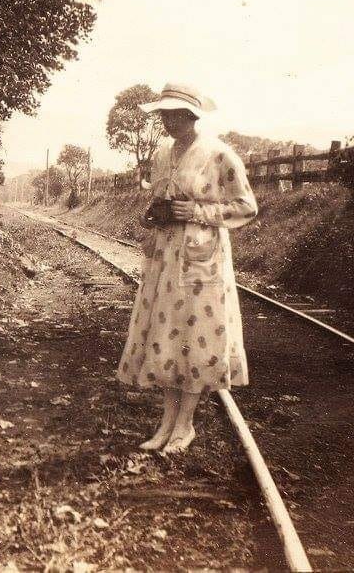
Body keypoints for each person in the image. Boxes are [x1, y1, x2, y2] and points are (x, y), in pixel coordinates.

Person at [117, 82, 258, 455]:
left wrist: (198, 211)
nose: (168, 122)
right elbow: (158, 198)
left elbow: (246, 206)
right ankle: (166, 423)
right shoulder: (163, 155)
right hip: (165, 255)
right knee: (166, 334)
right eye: (164, 114)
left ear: (192, 115)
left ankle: (185, 425)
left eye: (175, 114)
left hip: (201, 257)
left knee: (196, 335)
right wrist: (152, 216)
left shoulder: (219, 154)